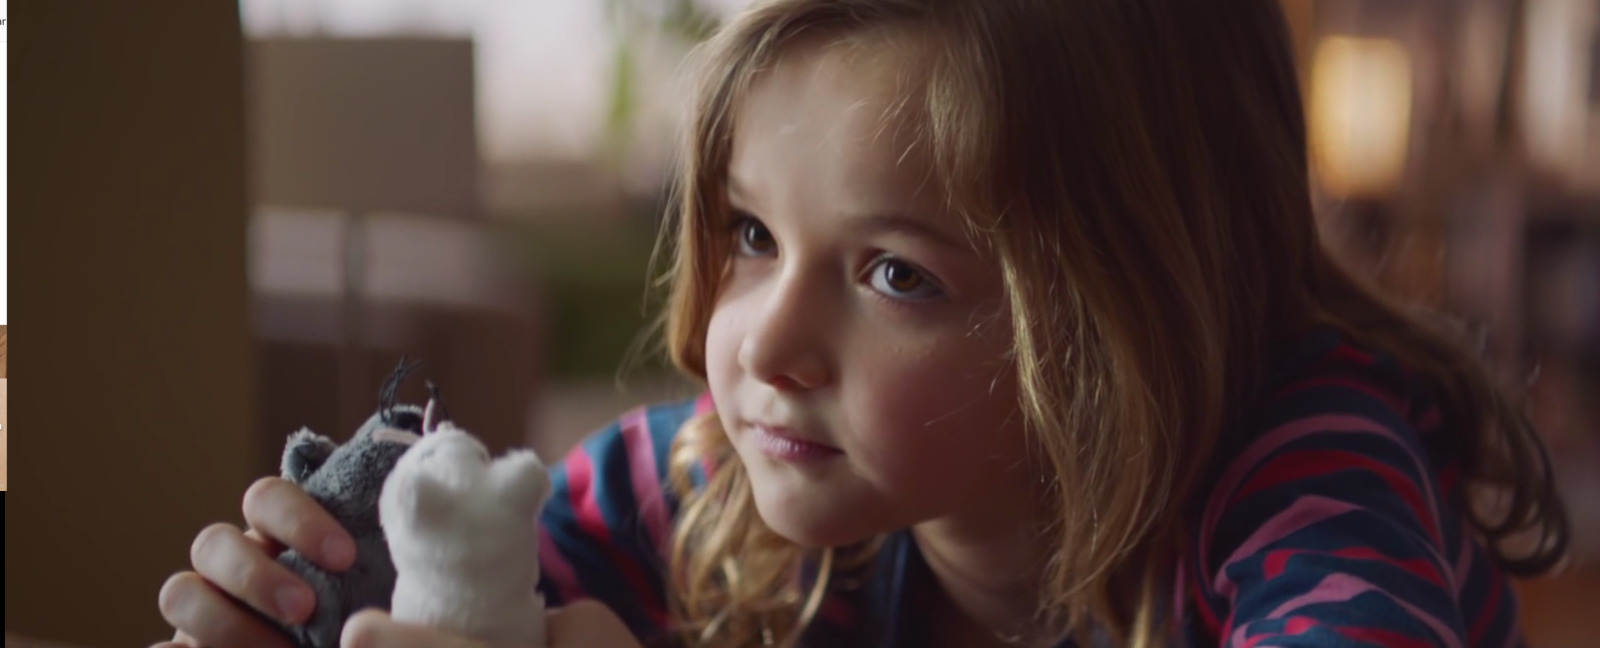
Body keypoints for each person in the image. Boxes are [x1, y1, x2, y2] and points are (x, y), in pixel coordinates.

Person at [155, 1, 1571, 646]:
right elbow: (479, 597)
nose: (760, 343)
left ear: (1126, 311)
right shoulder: (706, 480)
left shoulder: (1307, 473)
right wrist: (302, 610)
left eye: (896, 274)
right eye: (755, 236)